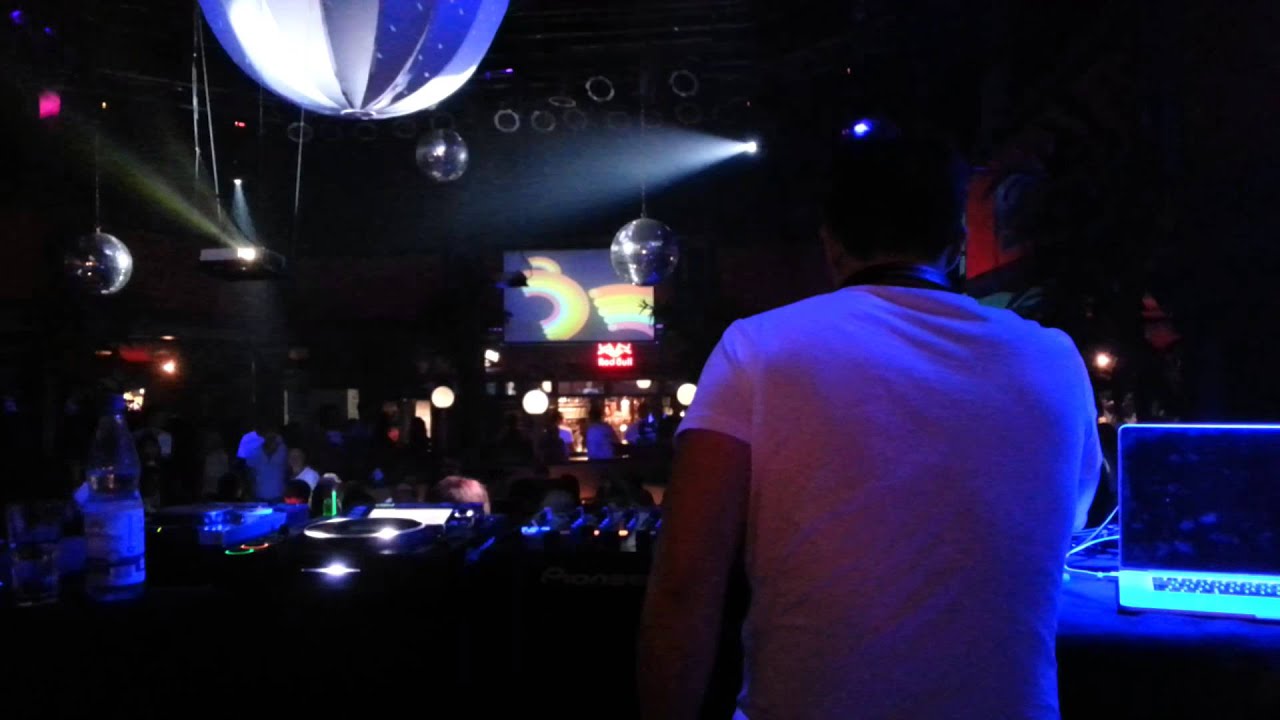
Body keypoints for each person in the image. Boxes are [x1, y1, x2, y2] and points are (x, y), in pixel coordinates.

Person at [638, 134, 1101, 720]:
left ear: (830, 243)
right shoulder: (1054, 357)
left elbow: (685, 582)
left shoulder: (758, 348)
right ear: (957, 243)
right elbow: (1070, 520)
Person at [244, 424, 288, 502]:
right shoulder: (254, 449)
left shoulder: (283, 448)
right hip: (258, 496)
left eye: (272, 432)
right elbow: (249, 473)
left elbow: (288, 470)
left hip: (279, 496)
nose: (269, 434)